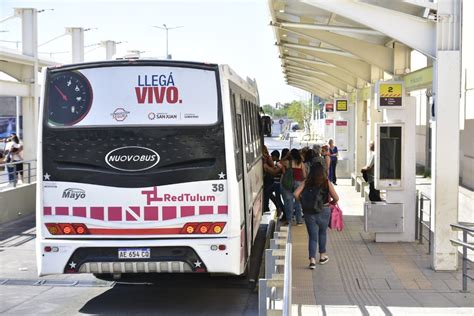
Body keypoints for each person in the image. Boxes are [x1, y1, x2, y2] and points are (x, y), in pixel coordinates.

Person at [294, 163, 339, 269]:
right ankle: (322, 256)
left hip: (310, 213)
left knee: (313, 237)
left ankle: (312, 261)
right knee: (322, 233)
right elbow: (336, 198)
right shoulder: (326, 182)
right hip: (324, 210)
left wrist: (303, 203)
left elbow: (296, 194)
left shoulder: (307, 182)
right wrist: (331, 203)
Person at [280, 148, 306, 225]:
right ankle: (299, 220)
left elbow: (280, 162)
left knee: (289, 202)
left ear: (291, 155)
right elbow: (304, 175)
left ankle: (289, 220)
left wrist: (286, 156)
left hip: (289, 183)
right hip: (298, 184)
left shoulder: (288, 162)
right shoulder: (301, 163)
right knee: (298, 202)